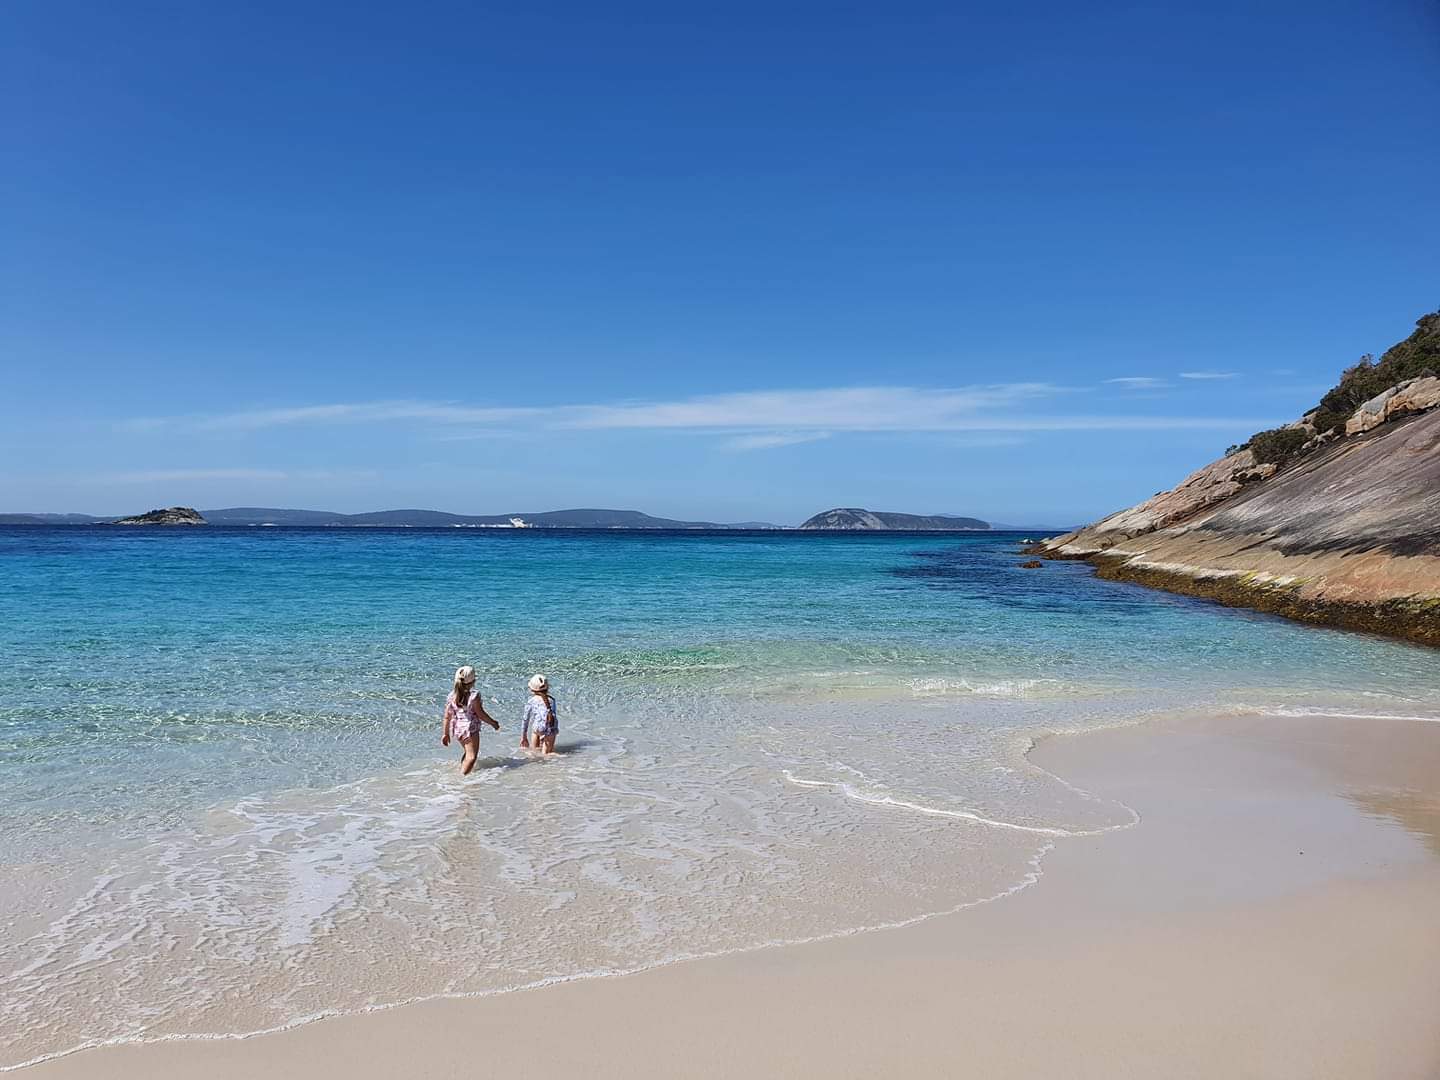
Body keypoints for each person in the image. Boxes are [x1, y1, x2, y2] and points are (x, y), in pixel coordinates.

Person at [441, 665, 498, 775]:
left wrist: (445, 733)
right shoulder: (474, 696)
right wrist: (493, 723)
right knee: (472, 757)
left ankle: (464, 770)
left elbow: (447, 717)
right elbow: (480, 714)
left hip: (457, 729)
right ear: (473, 681)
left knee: (468, 752)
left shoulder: (451, 696)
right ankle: (463, 777)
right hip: (470, 730)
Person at [521, 674, 558, 754]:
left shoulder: (531, 701)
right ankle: (560, 758)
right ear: (548, 688)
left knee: (534, 752)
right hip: (551, 726)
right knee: (547, 754)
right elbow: (552, 715)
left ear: (532, 689)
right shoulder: (552, 700)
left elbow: (525, 719)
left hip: (538, 727)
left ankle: (533, 762)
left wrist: (524, 737)